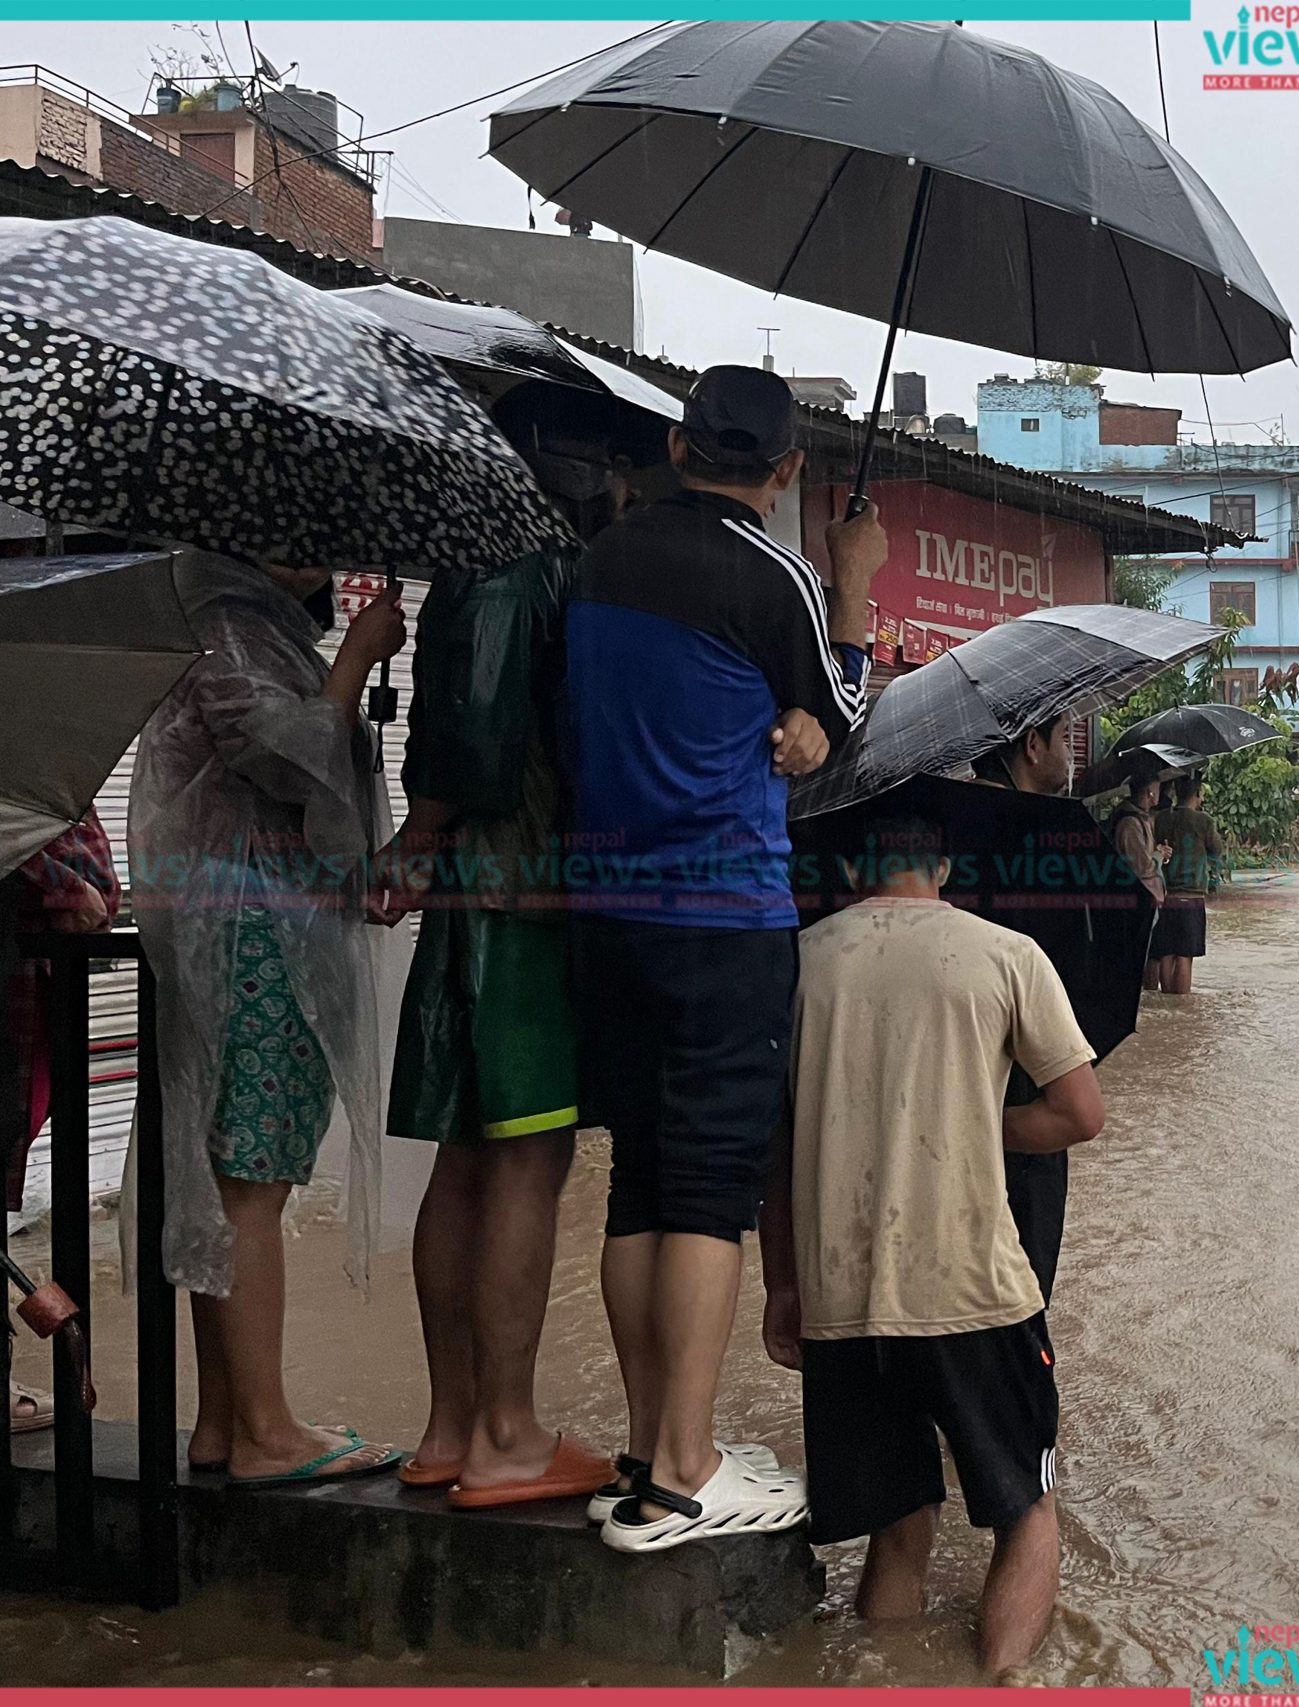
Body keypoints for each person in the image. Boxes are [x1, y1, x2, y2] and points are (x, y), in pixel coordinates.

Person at [565, 364, 886, 1551]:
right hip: (722, 922)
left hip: (608, 913)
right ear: (789, 470)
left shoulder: (599, 561)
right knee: (708, 1191)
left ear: (674, 442)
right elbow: (846, 724)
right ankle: (685, 1475)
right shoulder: (775, 576)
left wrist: (786, 721)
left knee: (640, 1180)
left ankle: (647, 1451)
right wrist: (852, 588)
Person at [759, 807, 1103, 1680]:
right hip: (974, 1291)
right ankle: (1000, 1685)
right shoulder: (1005, 953)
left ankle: (882, 1680)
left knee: (900, 1523)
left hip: (844, 1301)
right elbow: (1079, 1112)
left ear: (856, 869)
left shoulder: (798, 961)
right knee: (1027, 1505)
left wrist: (784, 1287)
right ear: (941, 867)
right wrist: (983, 1123)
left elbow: (776, 1143)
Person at [371, 429, 626, 1508]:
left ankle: (449, 1428)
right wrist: (418, 837)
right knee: (526, 1160)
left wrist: (426, 844)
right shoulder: (531, 567)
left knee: (468, 1161)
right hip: (519, 897)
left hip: (480, 892)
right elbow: (475, 733)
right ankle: (510, 1434)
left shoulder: (475, 567)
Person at [129, 551, 407, 1486]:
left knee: (234, 1175)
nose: (316, 552)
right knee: (251, 1178)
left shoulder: (246, 624)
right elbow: (285, 757)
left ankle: (224, 1418)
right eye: (292, 533)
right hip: (256, 934)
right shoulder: (229, 628)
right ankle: (266, 1429)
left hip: (247, 924)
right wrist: (359, 661)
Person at [5, 811, 119, 1436]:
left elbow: (99, 881)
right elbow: (88, 885)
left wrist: (78, 890)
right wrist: (67, 890)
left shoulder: (43, 759)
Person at [968, 714, 1078, 1303]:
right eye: (1064, 739)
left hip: (945, 1088)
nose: (1071, 754)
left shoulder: (946, 833)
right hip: (1027, 1092)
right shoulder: (1046, 846)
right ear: (1031, 747)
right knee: (1024, 1298)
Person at [1147, 771, 1224, 996]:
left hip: (1165, 896)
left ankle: (1168, 1005)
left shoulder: (1161, 818)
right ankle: (1180, 1004)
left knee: (1167, 953)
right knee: (1184, 956)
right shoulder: (1204, 821)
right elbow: (1217, 850)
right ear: (1198, 794)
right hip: (1191, 900)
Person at [1112, 774, 1169, 990]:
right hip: (1139, 899)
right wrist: (1157, 856)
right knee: (1139, 956)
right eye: (1158, 788)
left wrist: (1158, 854)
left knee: (1150, 954)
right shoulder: (1129, 823)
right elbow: (1139, 867)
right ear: (1150, 793)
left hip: (1148, 897)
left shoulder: (1141, 819)